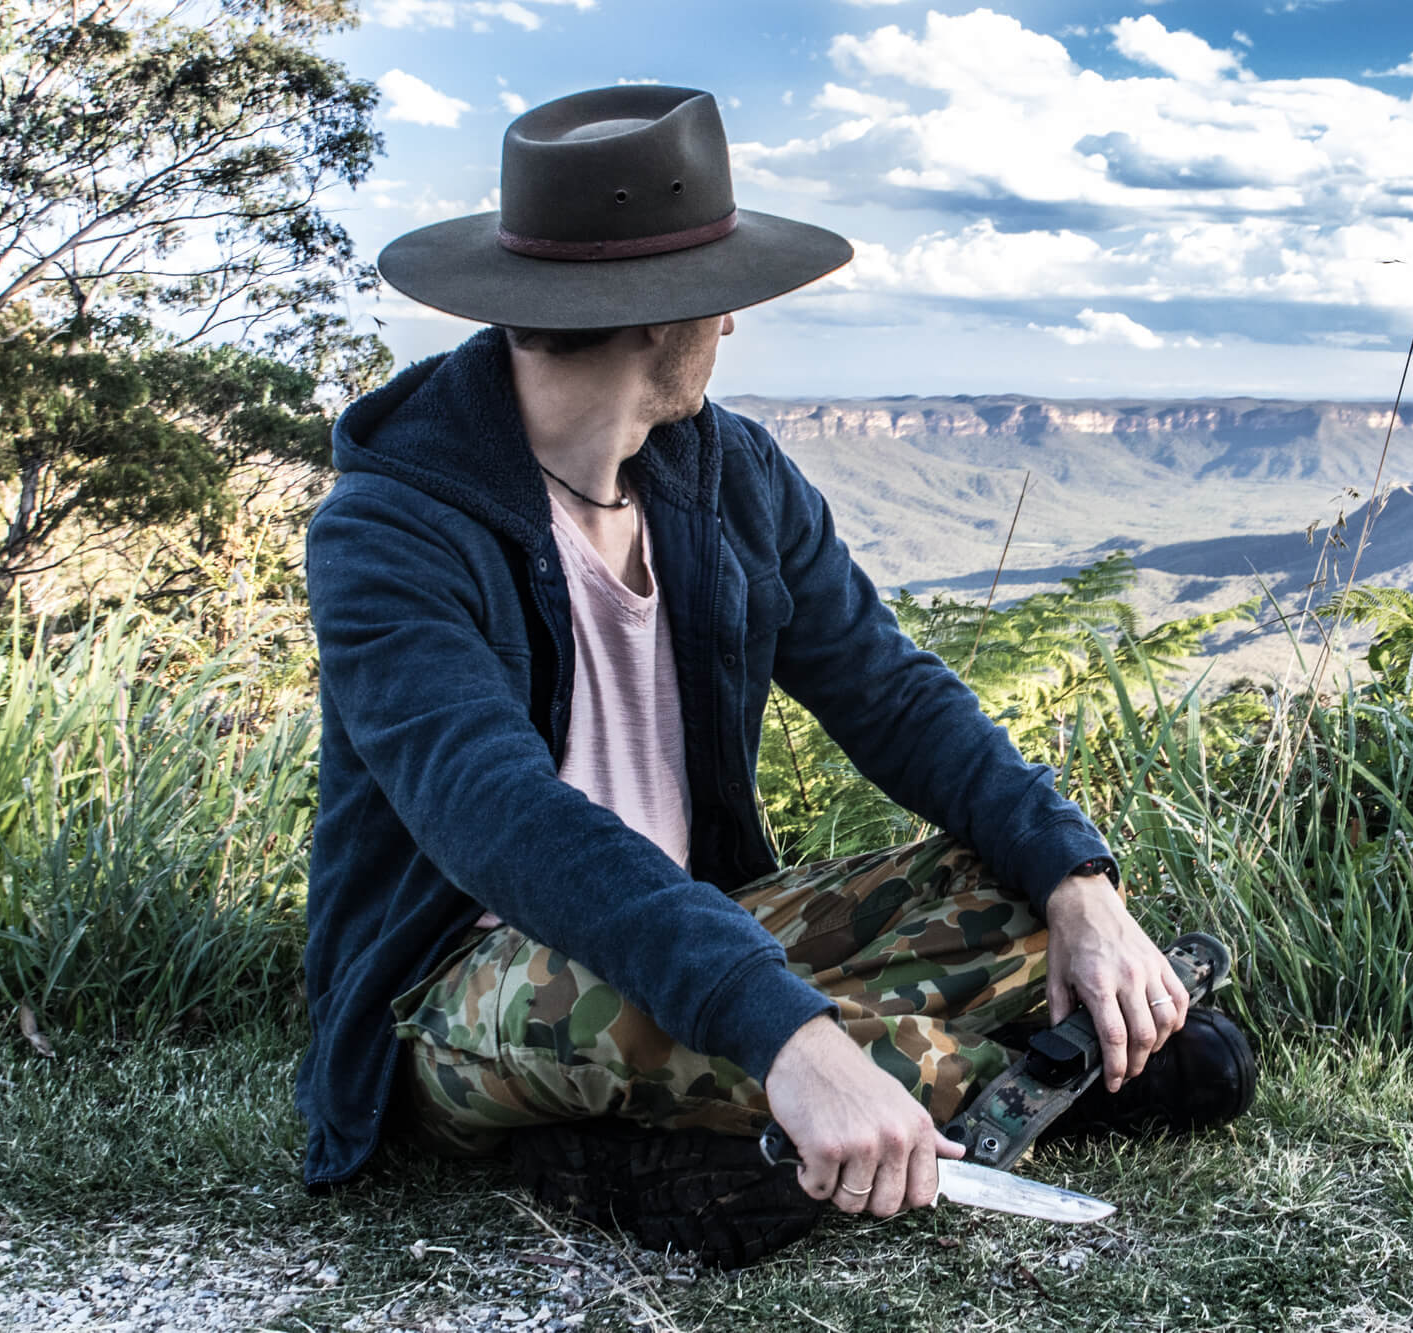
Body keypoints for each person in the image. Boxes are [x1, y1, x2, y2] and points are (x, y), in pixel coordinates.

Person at [297, 85, 1253, 1267]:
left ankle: (754, 1128)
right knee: (624, 999)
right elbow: (498, 812)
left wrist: (1076, 886)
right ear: (660, 314)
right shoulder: (390, 528)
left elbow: (890, 692)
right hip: (465, 982)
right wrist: (790, 1035)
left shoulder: (728, 476)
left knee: (1002, 884)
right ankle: (989, 1078)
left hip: (692, 930)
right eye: (722, 293)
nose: (733, 325)